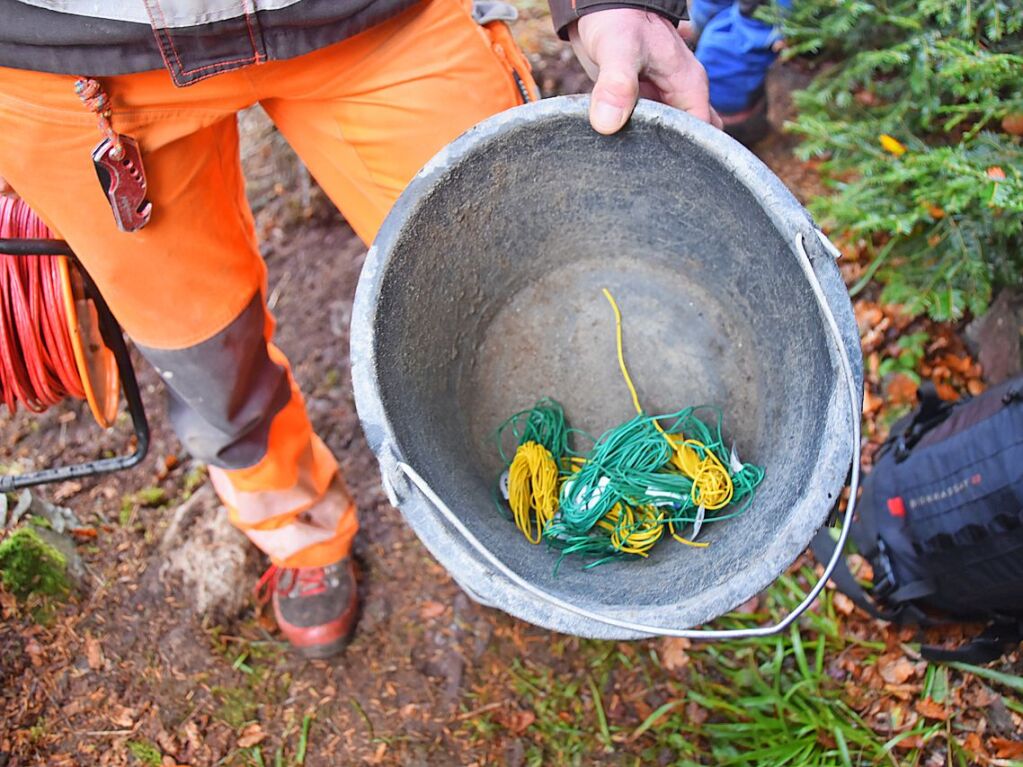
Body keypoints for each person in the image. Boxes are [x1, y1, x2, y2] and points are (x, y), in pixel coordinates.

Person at [0, 0, 718, 659]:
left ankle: (526, 502)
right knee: (202, 353)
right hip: (73, 63)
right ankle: (299, 532)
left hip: (378, 20)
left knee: (514, 271)